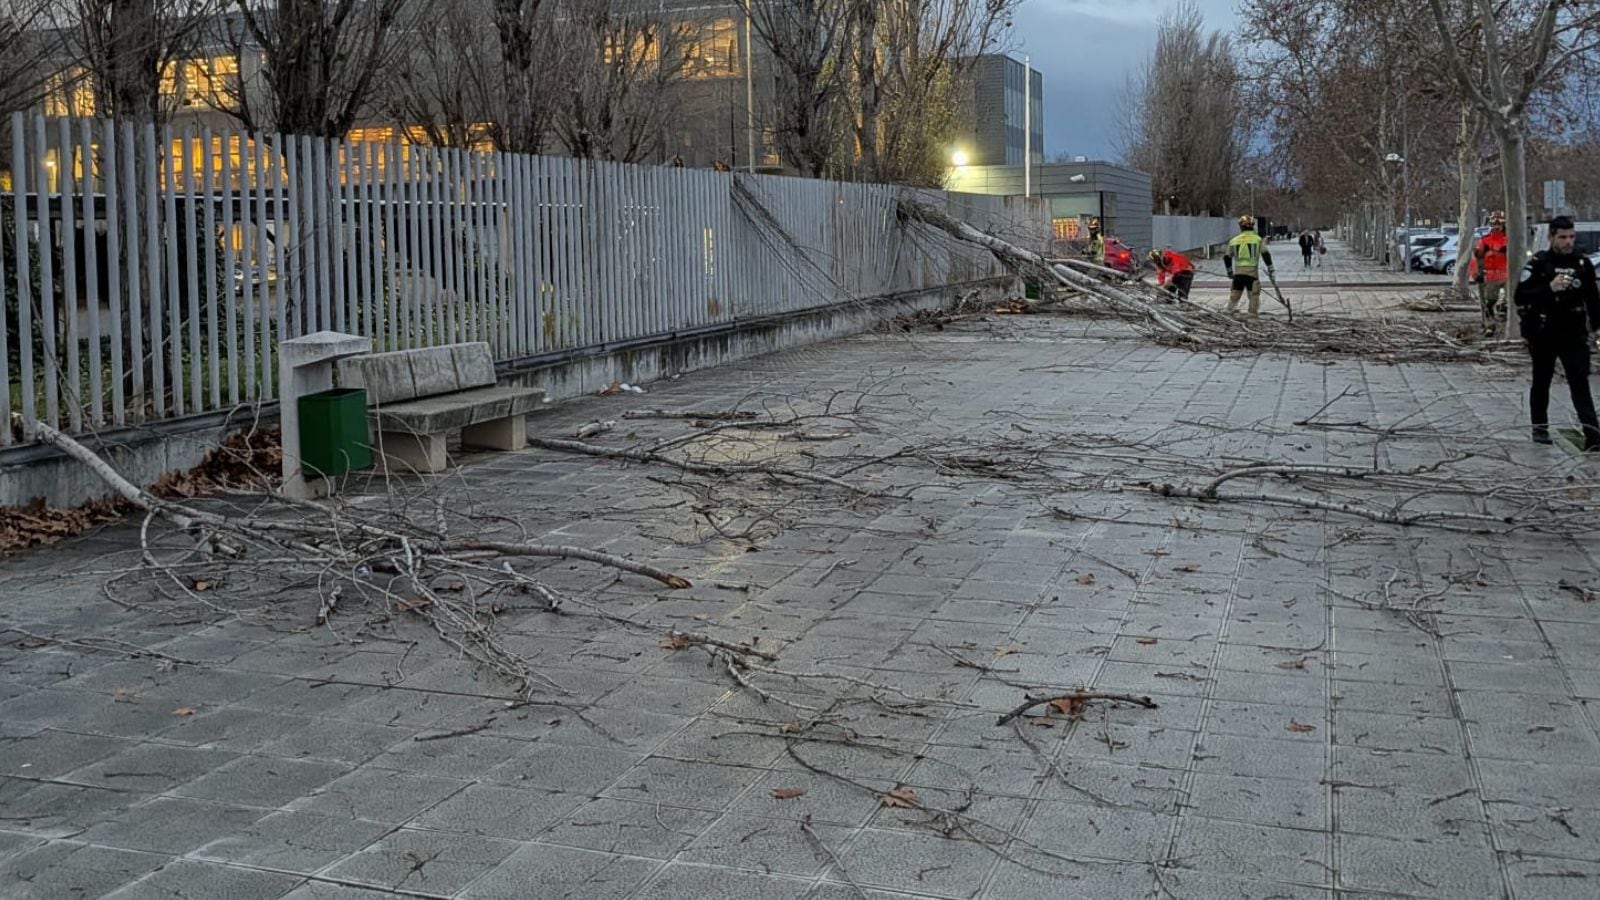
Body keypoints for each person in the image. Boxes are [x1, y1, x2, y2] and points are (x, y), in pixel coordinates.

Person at [1514, 216, 1600, 449]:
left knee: (1580, 382)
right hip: (1544, 332)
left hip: (1573, 332)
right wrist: (1549, 289)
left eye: (1571, 237)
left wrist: (1597, 328)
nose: (1568, 242)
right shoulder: (1539, 264)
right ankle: (1540, 428)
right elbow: (1521, 296)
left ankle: (1592, 434)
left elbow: (1593, 299)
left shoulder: (1582, 264)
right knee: (1542, 381)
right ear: (1551, 237)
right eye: (1562, 237)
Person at [1224, 215, 1274, 316]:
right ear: (1252, 226)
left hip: (1238, 273)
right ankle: (1252, 315)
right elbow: (1265, 254)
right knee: (1253, 295)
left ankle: (1229, 311)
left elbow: (1227, 257)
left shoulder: (1234, 240)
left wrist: (1229, 271)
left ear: (1240, 227)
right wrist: (1270, 267)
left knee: (1235, 294)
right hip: (1252, 274)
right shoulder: (1257, 239)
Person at [1473, 211, 1511, 335]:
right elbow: (1477, 258)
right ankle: (1489, 325)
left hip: (1506, 275)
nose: (1496, 226)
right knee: (1488, 302)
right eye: (1494, 223)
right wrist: (1476, 274)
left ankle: (1511, 324)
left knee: (1511, 299)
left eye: (1499, 223)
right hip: (1490, 275)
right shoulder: (1485, 241)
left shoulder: (1510, 240)